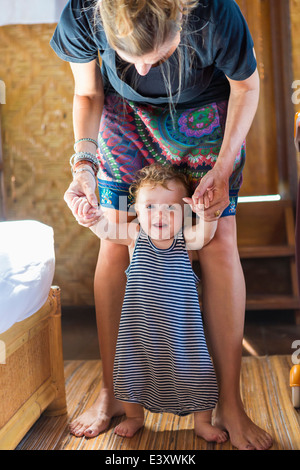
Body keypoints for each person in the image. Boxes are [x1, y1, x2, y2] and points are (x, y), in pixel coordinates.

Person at [50, 0, 273, 449]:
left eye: (161, 54)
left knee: (218, 240)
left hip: (209, 115)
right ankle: (114, 392)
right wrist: (84, 165)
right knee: (115, 241)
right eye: (132, 58)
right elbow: (90, 93)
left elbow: (246, 88)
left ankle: (228, 401)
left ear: (180, 17)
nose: (146, 67)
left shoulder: (215, 15)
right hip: (123, 118)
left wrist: (224, 167)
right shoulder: (80, 13)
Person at [80, 163, 227, 441]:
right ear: (136, 209)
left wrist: (207, 215)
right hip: (140, 331)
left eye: (170, 208)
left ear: (184, 211)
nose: (159, 214)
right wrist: (91, 217)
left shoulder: (185, 238)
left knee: (196, 372)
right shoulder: (135, 236)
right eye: (149, 207)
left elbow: (205, 235)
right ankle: (135, 416)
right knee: (132, 371)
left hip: (182, 332)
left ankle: (202, 421)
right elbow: (106, 231)